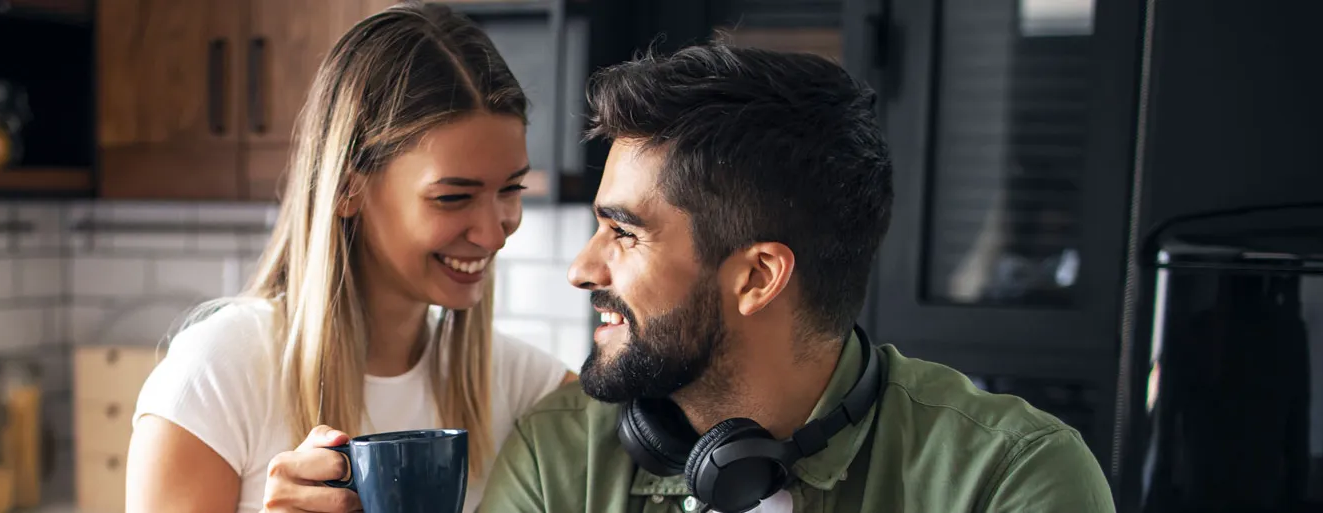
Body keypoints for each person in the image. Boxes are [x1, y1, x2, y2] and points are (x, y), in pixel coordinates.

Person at [478, 43, 1115, 512]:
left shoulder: (1012, 477)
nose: (582, 269)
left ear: (758, 277)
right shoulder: (556, 457)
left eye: (623, 233)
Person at [124, 3, 573, 512]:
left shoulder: (520, 384)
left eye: (511, 190)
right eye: (453, 197)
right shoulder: (214, 379)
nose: (494, 233)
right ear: (346, 189)